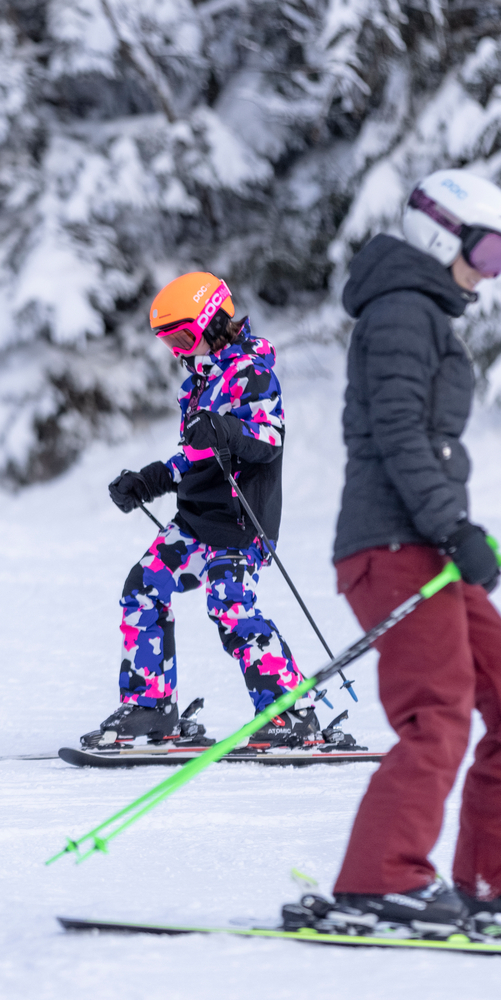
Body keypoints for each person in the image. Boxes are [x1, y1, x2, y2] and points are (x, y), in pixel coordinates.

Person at [313, 168, 501, 938]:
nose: (492, 271)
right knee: (438, 714)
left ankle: (493, 877)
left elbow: (422, 444)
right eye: (489, 251)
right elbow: (402, 436)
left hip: (426, 544)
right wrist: (453, 528)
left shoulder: (423, 311)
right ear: (442, 233)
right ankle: (378, 884)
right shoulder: (403, 309)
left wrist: (455, 534)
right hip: (391, 543)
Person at [94, 271, 329, 753]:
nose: (178, 349)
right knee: (143, 587)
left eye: (183, 336)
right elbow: (193, 456)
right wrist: (149, 481)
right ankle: (151, 707)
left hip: (242, 523)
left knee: (231, 608)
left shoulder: (253, 373)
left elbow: (267, 441)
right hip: (196, 520)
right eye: (169, 341)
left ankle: (293, 712)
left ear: (212, 322)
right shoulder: (200, 382)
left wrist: (223, 429)